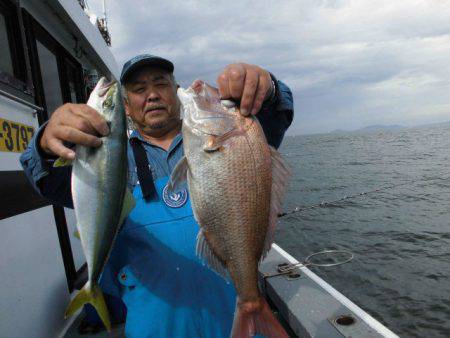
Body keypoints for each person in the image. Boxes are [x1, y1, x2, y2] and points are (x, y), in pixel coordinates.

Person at [20, 54, 294, 337]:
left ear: (175, 92)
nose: (151, 95)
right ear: (125, 107)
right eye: (139, 90)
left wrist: (268, 88)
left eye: (160, 84)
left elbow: (274, 118)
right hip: (156, 327)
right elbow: (47, 181)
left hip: (232, 319)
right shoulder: (109, 161)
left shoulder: (226, 133)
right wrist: (45, 143)